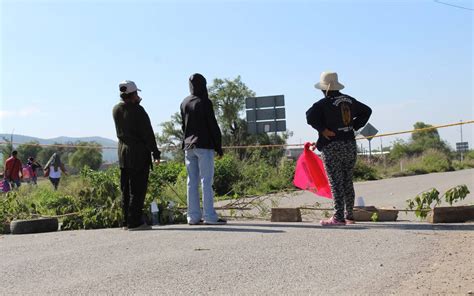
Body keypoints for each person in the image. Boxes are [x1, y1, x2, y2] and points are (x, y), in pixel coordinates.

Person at [306, 71, 372, 226]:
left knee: (335, 182)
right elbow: (367, 111)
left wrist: (322, 129)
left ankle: (338, 217)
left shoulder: (323, 104)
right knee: (347, 181)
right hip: (349, 144)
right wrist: (354, 126)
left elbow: (309, 116)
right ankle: (349, 216)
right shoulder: (349, 100)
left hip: (333, 147)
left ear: (325, 89)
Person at [113, 80, 161, 231]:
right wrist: (155, 152)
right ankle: (135, 222)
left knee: (125, 189)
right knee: (138, 189)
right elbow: (147, 133)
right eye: (136, 94)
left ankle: (126, 221)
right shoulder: (138, 110)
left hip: (123, 153)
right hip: (138, 154)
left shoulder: (116, 109)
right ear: (133, 94)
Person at [181, 73, 226, 225]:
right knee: (206, 181)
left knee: (191, 182)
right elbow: (212, 125)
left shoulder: (184, 102)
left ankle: (192, 217)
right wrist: (218, 147)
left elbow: (183, 126)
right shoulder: (204, 102)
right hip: (204, 146)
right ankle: (209, 216)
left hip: (188, 146)